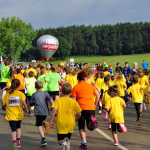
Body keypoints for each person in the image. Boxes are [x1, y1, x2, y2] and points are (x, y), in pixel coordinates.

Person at [71, 71, 100, 149]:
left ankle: (84, 143)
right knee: (90, 128)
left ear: (78, 78)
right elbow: (98, 94)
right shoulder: (90, 86)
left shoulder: (75, 87)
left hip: (80, 108)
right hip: (90, 107)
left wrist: (74, 110)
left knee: (81, 126)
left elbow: (73, 100)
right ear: (84, 78)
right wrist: (95, 104)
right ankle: (92, 122)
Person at [50, 83, 82, 150]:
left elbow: (54, 110)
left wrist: (51, 120)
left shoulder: (58, 100)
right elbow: (79, 114)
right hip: (70, 123)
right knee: (68, 139)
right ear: (70, 91)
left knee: (60, 141)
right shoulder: (73, 101)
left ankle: (63, 143)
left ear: (61, 91)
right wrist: (75, 120)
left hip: (61, 123)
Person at [2, 79, 28, 149]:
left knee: (13, 130)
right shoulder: (21, 94)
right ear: (19, 86)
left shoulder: (8, 94)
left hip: (11, 115)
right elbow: (23, 102)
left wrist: (4, 104)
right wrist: (26, 109)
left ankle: (14, 143)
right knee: (18, 127)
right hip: (19, 114)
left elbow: (3, 104)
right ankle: (18, 141)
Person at [30, 80, 53, 147]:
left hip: (38, 112)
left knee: (39, 126)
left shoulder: (34, 94)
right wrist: (53, 105)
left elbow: (31, 104)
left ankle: (43, 139)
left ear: (35, 87)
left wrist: (31, 104)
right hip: (45, 112)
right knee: (42, 120)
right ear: (42, 86)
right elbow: (51, 99)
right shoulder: (46, 93)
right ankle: (45, 123)